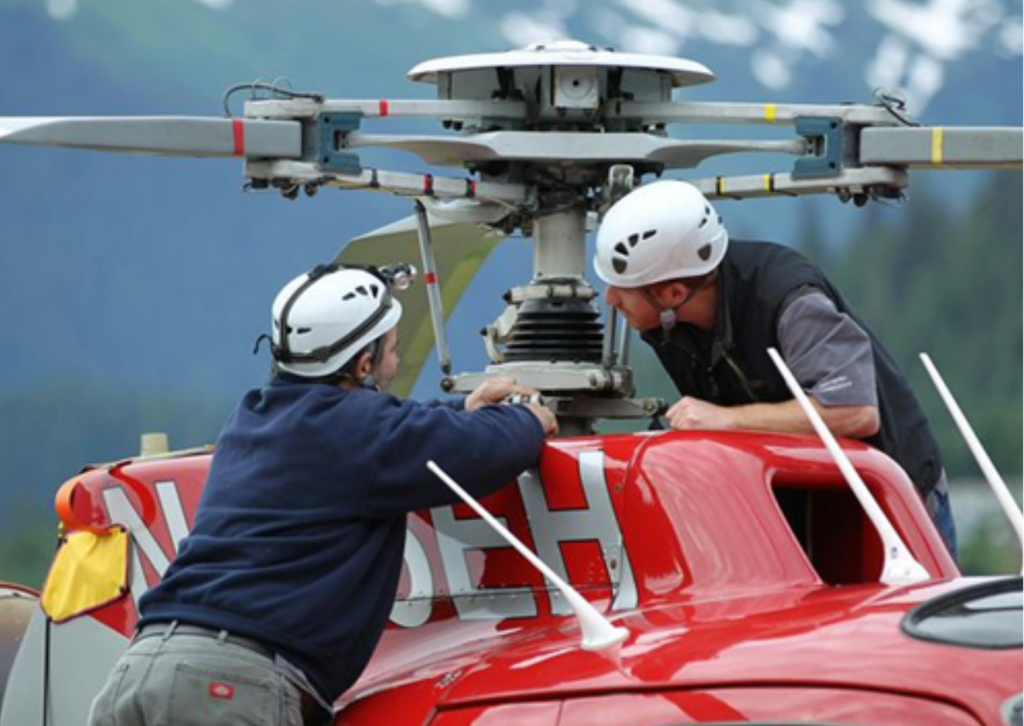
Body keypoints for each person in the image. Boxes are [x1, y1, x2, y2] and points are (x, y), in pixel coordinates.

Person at [88, 262, 558, 726]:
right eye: (393, 350)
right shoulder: (363, 434)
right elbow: (476, 451)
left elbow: (383, 434)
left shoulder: (254, 416)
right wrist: (528, 418)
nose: (398, 362)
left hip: (137, 672)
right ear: (364, 364)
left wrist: (463, 408)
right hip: (229, 688)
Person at [593, 180, 957, 557]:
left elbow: (854, 411)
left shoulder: (787, 298)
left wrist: (725, 419)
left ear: (672, 293)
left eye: (623, 286)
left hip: (890, 498)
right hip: (801, 504)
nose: (610, 297)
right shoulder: (665, 320)